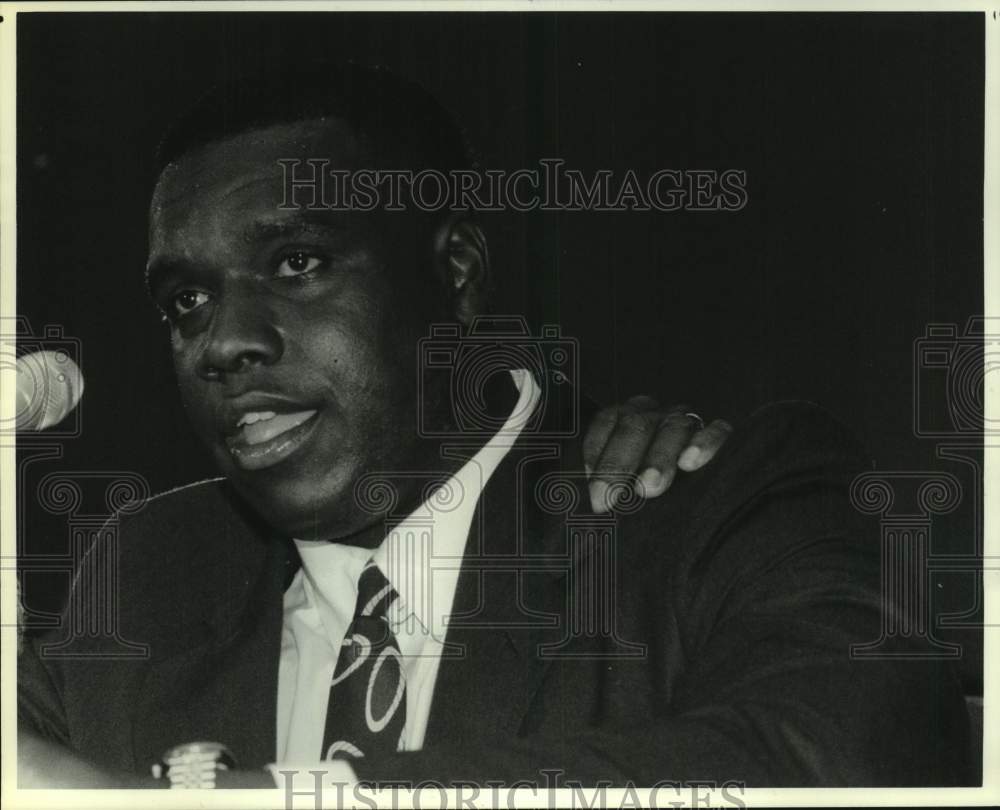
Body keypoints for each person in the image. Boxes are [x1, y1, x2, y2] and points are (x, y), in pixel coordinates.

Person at [17, 63, 971, 789]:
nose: (221, 342)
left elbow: (840, 756)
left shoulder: (717, 503)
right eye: (185, 300)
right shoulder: (145, 576)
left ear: (460, 272)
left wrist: (278, 802)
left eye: (300, 262)